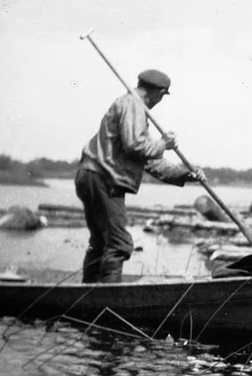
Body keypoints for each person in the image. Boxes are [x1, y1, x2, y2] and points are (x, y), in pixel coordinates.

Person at [75, 69, 206, 283]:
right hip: (103, 178)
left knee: (100, 242)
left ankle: (87, 294)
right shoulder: (133, 104)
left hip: (92, 175)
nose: (160, 101)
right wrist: (163, 144)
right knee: (119, 243)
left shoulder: (133, 109)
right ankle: (108, 300)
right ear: (160, 92)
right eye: (162, 97)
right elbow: (135, 145)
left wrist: (186, 173)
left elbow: (150, 161)